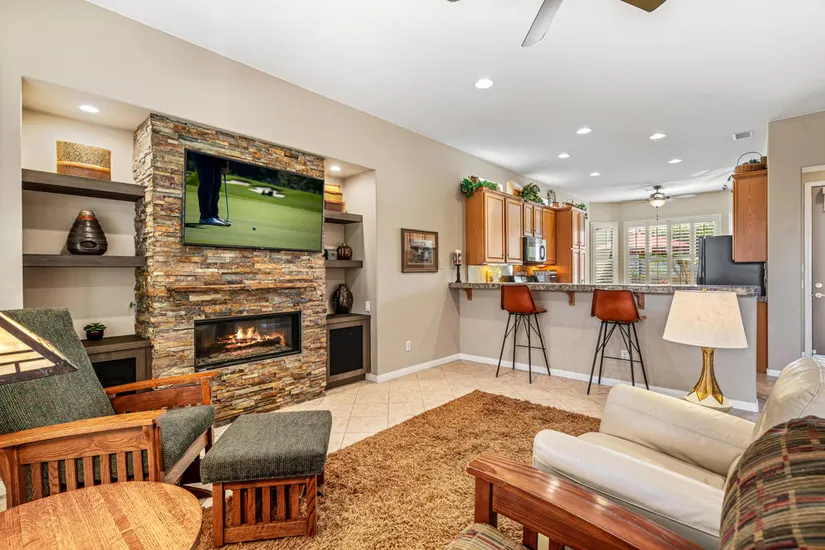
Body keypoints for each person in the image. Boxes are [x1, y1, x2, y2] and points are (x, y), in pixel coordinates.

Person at [192, 152, 231, 226]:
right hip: (203, 154)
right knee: (207, 183)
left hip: (217, 157)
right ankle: (205, 216)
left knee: (217, 184)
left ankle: (214, 215)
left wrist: (225, 164)